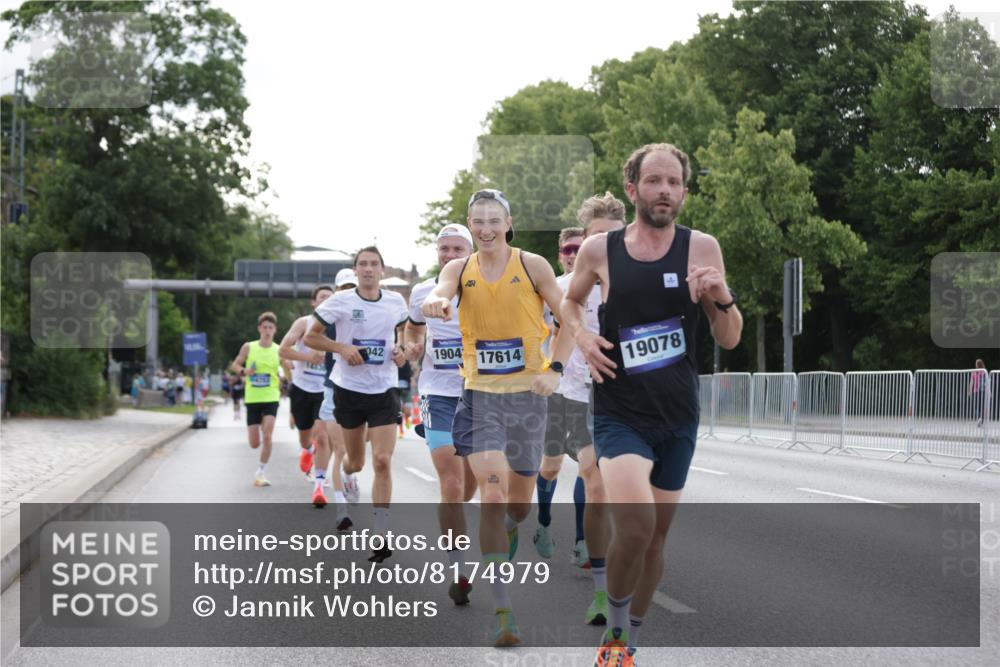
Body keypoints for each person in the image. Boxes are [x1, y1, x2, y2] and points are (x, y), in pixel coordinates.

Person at [562, 143, 742, 666]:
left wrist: (721, 295)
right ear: (632, 187)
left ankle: (631, 638)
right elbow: (571, 302)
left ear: (684, 191)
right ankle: (614, 631)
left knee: (655, 540)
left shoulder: (701, 248)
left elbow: (729, 337)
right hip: (620, 412)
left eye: (674, 183)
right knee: (635, 525)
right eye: (654, 180)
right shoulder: (602, 251)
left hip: (678, 415)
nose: (664, 190)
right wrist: (581, 337)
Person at [422, 189, 574, 647]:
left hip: (528, 399)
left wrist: (556, 370)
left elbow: (568, 320)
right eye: (477, 221)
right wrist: (435, 301)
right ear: (470, 225)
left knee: (518, 506)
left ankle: (512, 529)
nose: (485, 228)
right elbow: (441, 289)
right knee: (491, 495)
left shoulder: (533, 266)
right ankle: (504, 610)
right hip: (480, 398)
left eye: (494, 220)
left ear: (509, 223)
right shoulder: (459, 269)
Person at [305, 247, 409, 563]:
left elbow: (405, 329)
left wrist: (402, 349)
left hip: (384, 389)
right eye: (362, 264)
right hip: (348, 390)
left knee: (381, 460)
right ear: (355, 271)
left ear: (382, 269)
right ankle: (348, 475)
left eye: (373, 264)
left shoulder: (395, 301)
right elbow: (312, 337)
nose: (367, 269)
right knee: (356, 462)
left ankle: (380, 533)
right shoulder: (341, 301)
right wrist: (340, 347)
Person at [404, 223, 479, 605]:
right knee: (450, 481)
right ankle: (459, 569)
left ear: (470, 251)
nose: (449, 255)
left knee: (468, 487)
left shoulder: (487, 285)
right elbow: (412, 331)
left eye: (456, 249)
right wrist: (413, 347)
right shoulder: (422, 292)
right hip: (438, 393)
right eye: (443, 248)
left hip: (481, 393)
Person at [534, 226, 589, 565]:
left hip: (590, 393)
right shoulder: (549, 289)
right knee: (551, 467)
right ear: (560, 255)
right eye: (567, 250)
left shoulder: (605, 285)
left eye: (579, 249)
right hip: (556, 392)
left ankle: (584, 540)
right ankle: (543, 522)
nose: (572, 255)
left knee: (589, 466)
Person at [280, 284, 337, 507]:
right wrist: (308, 358)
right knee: (306, 438)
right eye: (321, 297)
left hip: (326, 389)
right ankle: (309, 450)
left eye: (329, 298)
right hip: (302, 388)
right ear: (314, 302)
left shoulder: (338, 324)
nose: (325, 301)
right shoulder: (303, 323)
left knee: (324, 436)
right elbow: (282, 351)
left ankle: (319, 486)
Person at [317, 268, 363, 531]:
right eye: (343, 288)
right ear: (336, 292)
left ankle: (349, 475)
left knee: (355, 458)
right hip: (333, 390)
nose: (348, 293)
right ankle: (341, 511)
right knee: (340, 450)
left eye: (351, 288)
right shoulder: (327, 317)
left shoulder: (369, 314)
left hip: (365, 393)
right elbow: (309, 335)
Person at [230, 312, 283, 487]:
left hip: (271, 397)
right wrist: (244, 371)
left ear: (275, 330)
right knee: (254, 443)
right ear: (259, 328)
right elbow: (235, 364)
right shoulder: (249, 347)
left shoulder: (279, 349)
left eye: (271, 328)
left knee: (267, 436)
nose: (267, 331)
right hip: (252, 398)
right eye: (264, 327)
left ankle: (261, 472)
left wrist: (286, 374)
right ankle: (258, 442)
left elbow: (288, 367)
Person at [969, 359, 988, 428]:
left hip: (976, 391)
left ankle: (980, 418)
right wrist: (989, 392)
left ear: (977, 365)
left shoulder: (974, 372)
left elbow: (971, 383)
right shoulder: (984, 372)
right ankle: (981, 419)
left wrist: (970, 391)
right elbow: (987, 383)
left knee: (977, 406)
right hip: (983, 391)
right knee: (982, 407)